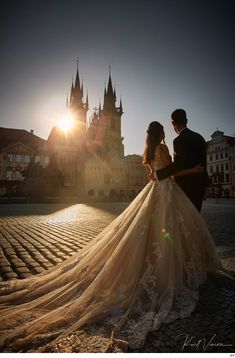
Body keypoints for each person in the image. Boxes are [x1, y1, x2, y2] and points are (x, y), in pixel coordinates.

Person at [0, 122, 219, 353]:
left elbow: (153, 176)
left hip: (155, 191)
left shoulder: (147, 150)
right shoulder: (163, 148)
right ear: (162, 132)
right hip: (167, 191)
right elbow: (170, 171)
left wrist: (163, 174)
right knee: (169, 230)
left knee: (145, 233)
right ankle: (168, 268)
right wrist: (193, 171)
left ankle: (152, 263)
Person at [156, 109, 211, 212]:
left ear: (173, 123)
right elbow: (204, 162)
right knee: (196, 216)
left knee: (187, 219)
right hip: (199, 185)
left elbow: (178, 166)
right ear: (186, 121)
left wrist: (158, 174)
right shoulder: (200, 138)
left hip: (185, 187)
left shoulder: (178, 140)